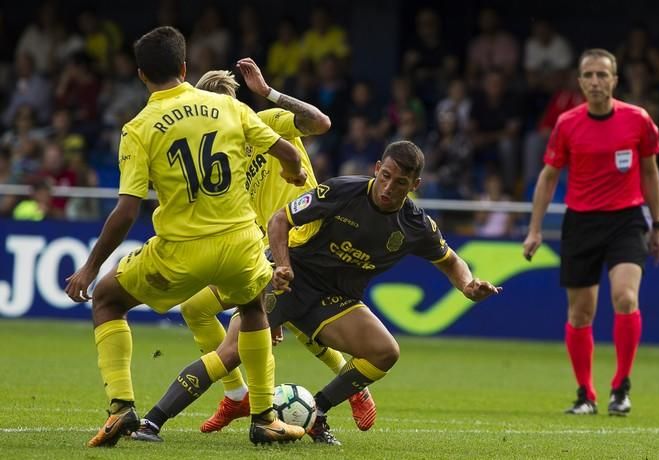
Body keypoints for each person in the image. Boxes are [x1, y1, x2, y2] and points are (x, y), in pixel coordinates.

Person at [130, 140, 501, 446]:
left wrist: (468, 285)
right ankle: (151, 423)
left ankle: (316, 412)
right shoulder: (342, 191)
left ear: (415, 184)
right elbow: (280, 220)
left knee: (385, 352)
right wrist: (282, 265)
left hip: (334, 302)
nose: (389, 188)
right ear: (376, 168)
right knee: (231, 354)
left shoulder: (416, 226)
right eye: (386, 176)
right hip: (290, 283)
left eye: (400, 183)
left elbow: (451, 261)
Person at [64, 26, 307, 447]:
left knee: (108, 298)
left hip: (179, 253)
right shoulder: (227, 108)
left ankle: (121, 408)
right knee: (252, 308)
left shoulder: (138, 128)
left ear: (141, 75)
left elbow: (126, 211)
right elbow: (286, 150)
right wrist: (294, 171)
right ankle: (265, 417)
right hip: (238, 245)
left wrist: (89, 267)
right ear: (184, 66)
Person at [131, 58, 376, 440]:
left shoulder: (266, 122)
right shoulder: (219, 157)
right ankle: (238, 393)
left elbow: (321, 123)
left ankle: (173, 415)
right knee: (198, 308)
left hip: (308, 240)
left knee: (264, 326)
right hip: (268, 246)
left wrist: (270, 93)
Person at [523, 48, 659, 416]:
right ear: (579, 81)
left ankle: (621, 387)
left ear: (615, 80)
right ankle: (585, 394)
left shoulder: (638, 120)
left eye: (602, 75)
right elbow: (549, 176)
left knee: (625, 298)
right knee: (580, 314)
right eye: (588, 75)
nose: (595, 81)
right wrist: (535, 229)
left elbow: (650, 173)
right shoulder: (567, 124)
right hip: (581, 222)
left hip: (627, 220)